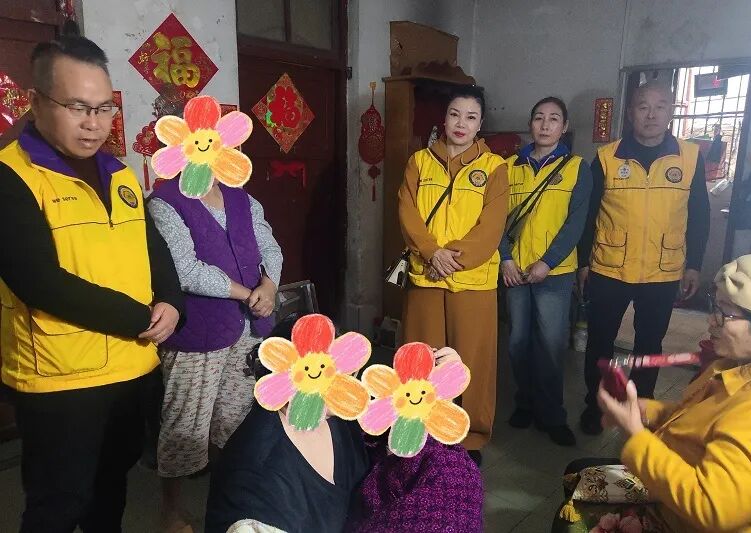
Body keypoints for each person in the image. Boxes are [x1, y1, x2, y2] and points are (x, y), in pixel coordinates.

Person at [0, 34, 184, 532]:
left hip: (131, 367)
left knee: (111, 490)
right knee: (59, 504)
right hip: (60, 379)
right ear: (36, 101)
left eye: (104, 108)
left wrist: (171, 299)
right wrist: (139, 318)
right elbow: (40, 282)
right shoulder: (12, 176)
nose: (93, 123)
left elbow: (153, 247)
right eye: (77, 107)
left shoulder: (119, 173)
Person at [555, 254, 751, 531]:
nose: (711, 322)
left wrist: (635, 434)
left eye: (726, 314)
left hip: (693, 518)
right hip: (677, 495)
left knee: (571, 512)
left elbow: (711, 509)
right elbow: (702, 418)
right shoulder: (733, 366)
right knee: (578, 471)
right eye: (714, 307)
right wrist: (650, 411)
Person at [205, 325, 483, 533]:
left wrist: (435, 398)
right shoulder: (255, 490)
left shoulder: (336, 414)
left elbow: (385, 438)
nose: (344, 382)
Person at [148, 165, 283, 531]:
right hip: (198, 332)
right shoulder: (165, 202)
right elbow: (186, 270)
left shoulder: (243, 199)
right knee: (185, 425)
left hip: (247, 328)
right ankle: (171, 512)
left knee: (235, 423)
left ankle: (229, 503)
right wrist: (248, 293)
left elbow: (269, 246)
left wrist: (270, 286)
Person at [577, 81, 711, 435]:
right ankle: (597, 407)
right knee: (600, 343)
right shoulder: (607, 157)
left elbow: (699, 215)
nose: (651, 114)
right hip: (609, 267)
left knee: (649, 346)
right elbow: (589, 214)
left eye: (660, 106)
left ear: (670, 112)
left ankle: (642, 411)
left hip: (662, 271)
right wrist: (583, 262)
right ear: (630, 112)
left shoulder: (690, 157)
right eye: (643, 106)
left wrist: (694, 264)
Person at [398, 85, 509, 463]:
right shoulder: (419, 162)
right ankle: (420, 427)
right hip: (426, 276)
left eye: (471, 117)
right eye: (455, 114)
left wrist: (451, 259)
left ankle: (470, 437)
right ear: (444, 119)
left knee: (471, 361)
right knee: (422, 357)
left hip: (473, 282)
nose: (461, 123)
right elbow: (407, 213)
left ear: (480, 124)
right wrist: (432, 252)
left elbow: (491, 227)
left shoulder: (494, 168)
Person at [499, 97, 592, 446]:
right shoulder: (509, 167)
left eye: (554, 119)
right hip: (516, 271)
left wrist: (548, 262)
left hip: (555, 273)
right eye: (539, 117)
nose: (545, 124)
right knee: (518, 342)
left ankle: (552, 415)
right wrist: (506, 258)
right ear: (530, 124)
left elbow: (576, 223)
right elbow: (496, 219)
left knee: (551, 345)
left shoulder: (577, 167)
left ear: (564, 127)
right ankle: (525, 403)